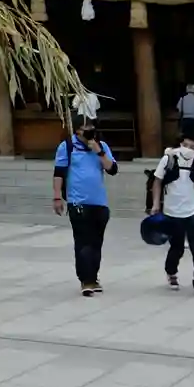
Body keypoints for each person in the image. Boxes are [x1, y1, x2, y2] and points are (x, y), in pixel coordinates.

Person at [52, 114, 118, 297]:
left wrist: (99, 151)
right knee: (83, 242)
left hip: (99, 202)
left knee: (96, 243)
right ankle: (85, 280)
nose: (89, 130)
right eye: (84, 128)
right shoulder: (67, 147)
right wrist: (57, 197)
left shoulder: (101, 146)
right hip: (78, 202)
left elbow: (112, 169)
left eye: (91, 126)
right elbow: (59, 173)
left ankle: (93, 277)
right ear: (77, 130)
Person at [149, 134, 194, 296]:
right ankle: (171, 272)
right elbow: (157, 181)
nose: (187, 149)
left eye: (192, 147)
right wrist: (156, 204)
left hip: (192, 211)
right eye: (185, 145)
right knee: (177, 247)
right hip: (172, 211)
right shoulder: (168, 159)